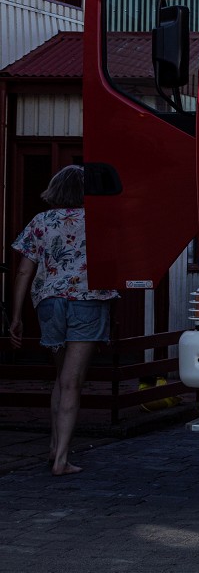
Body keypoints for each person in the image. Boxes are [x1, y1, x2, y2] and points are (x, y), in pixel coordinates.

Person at [7, 165, 119, 476]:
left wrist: (16, 316)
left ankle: (54, 447)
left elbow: (24, 272)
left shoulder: (41, 222)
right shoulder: (99, 222)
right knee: (72, 382)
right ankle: (62, 460)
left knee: (60, 379)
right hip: (88, 301)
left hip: (50, 303)